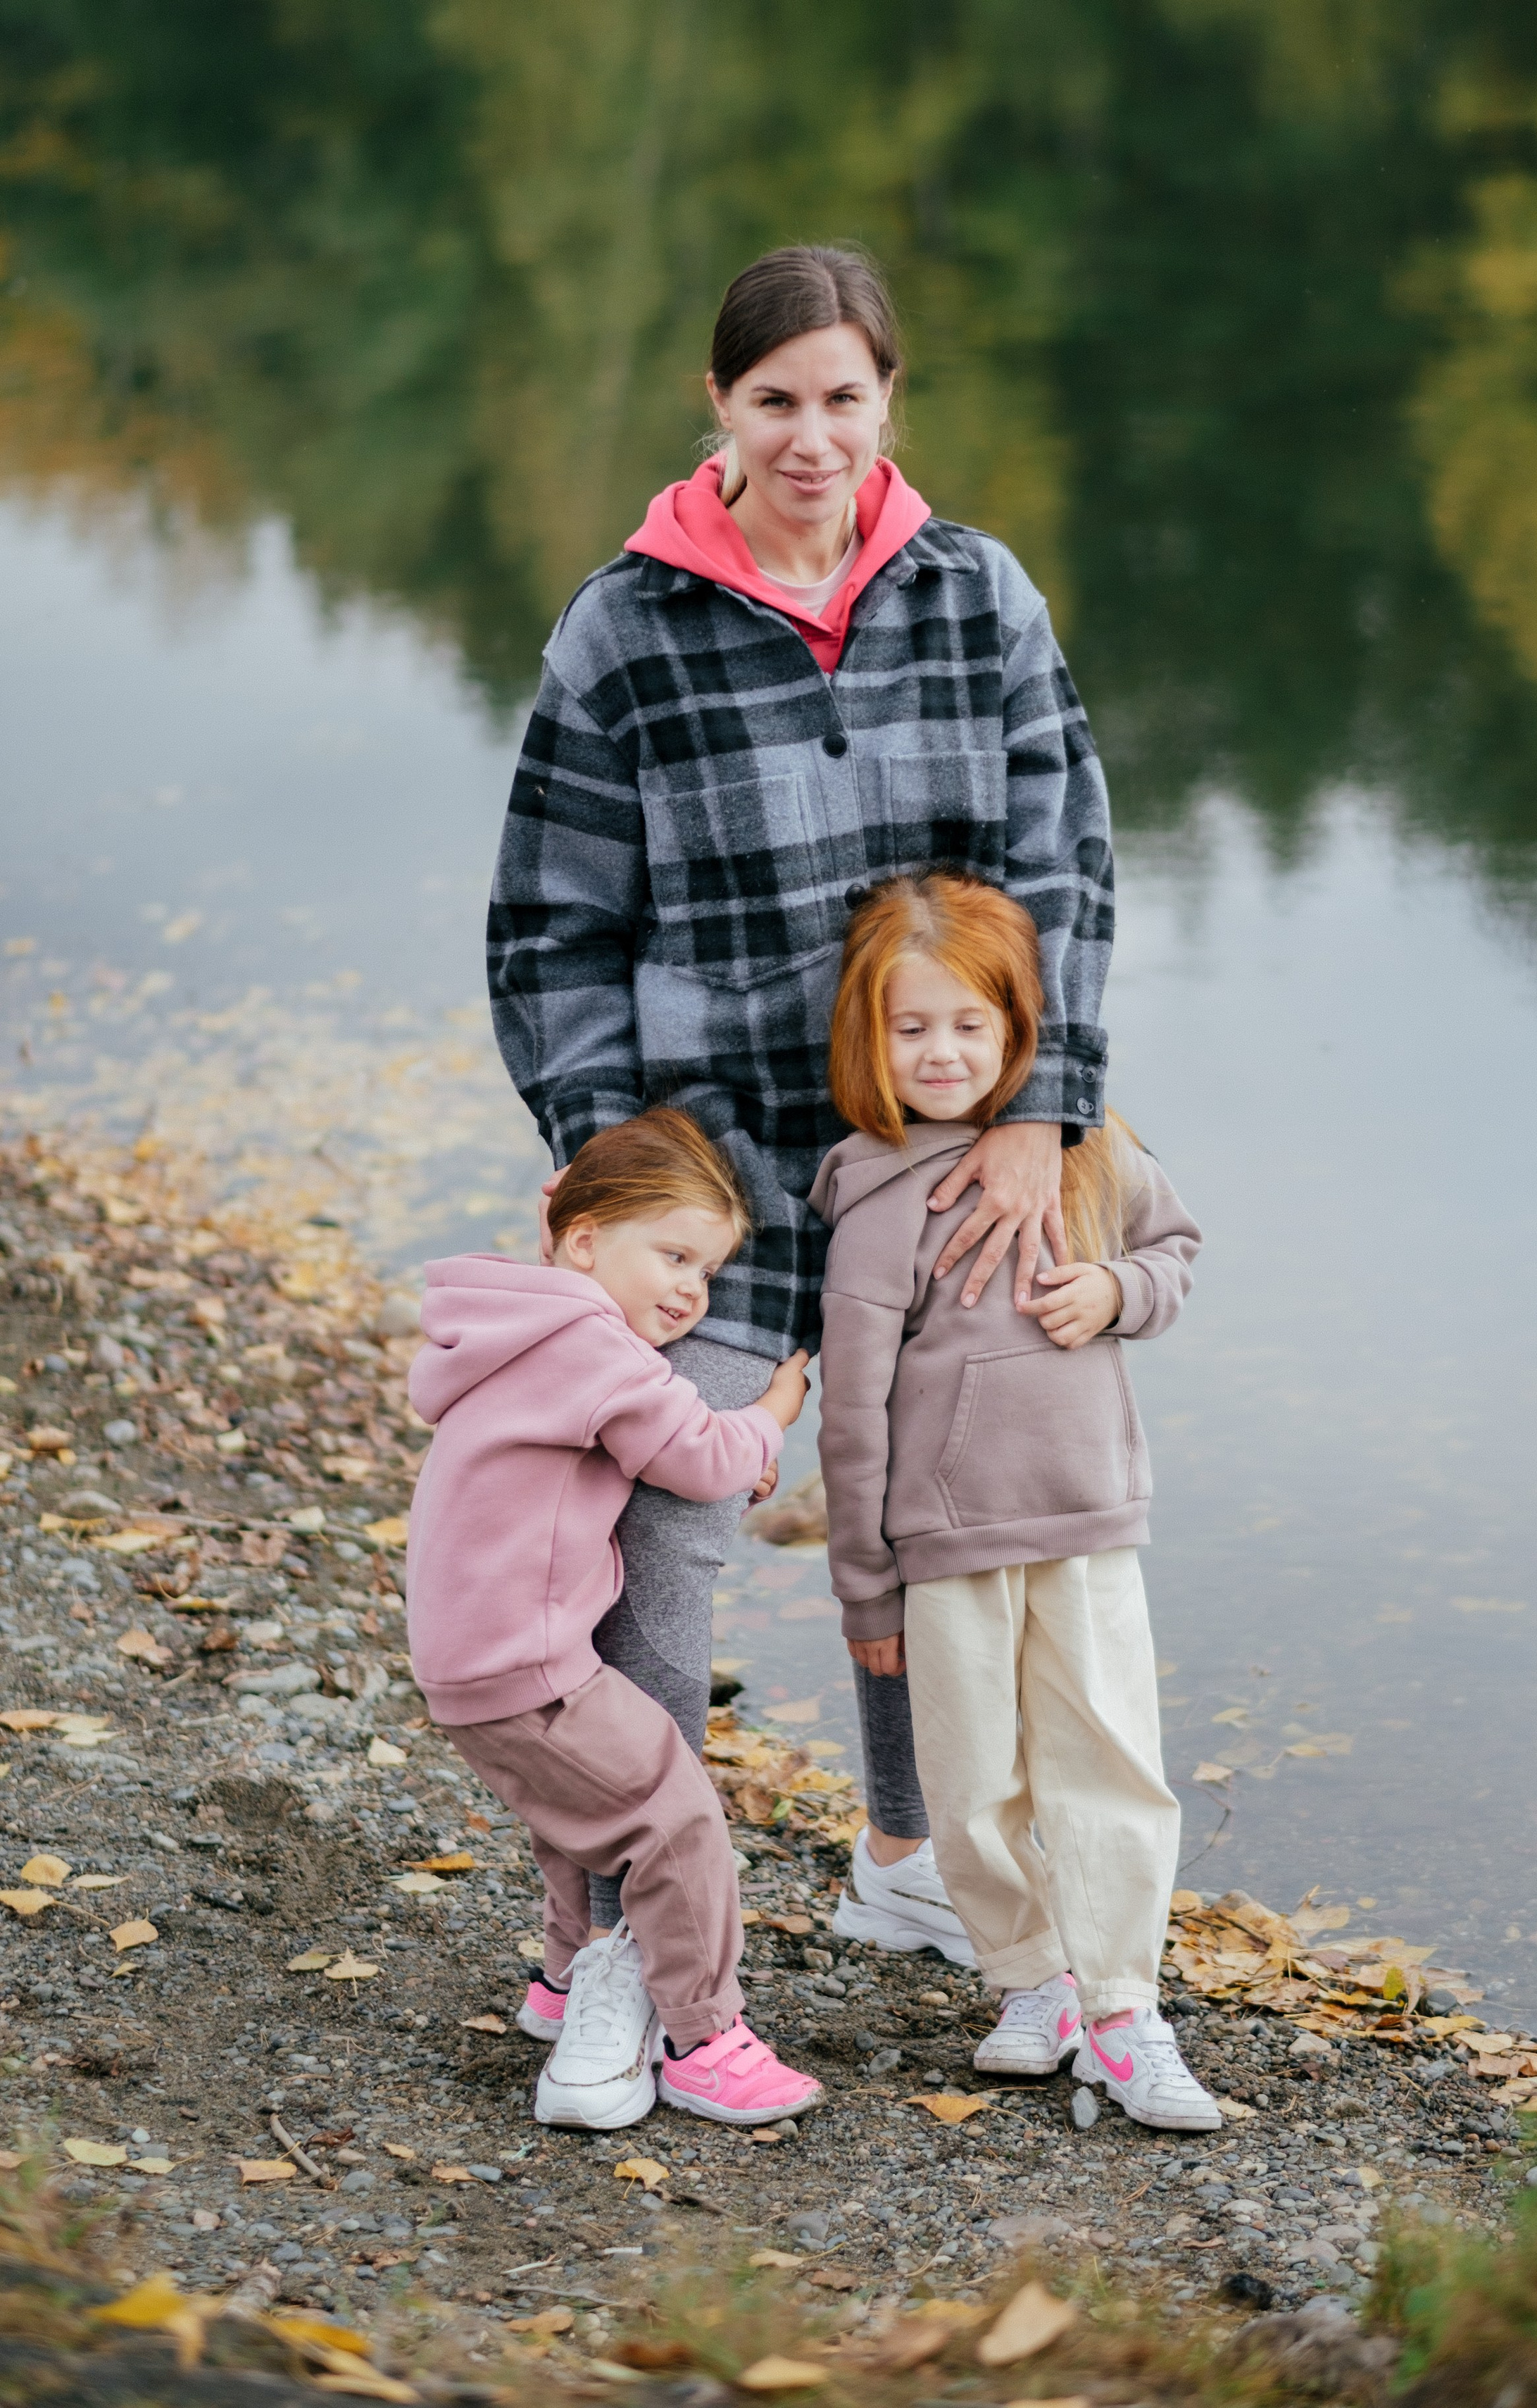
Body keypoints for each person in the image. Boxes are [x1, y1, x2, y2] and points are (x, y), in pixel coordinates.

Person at [487, 244, 1115, 1990]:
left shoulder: (976, 597)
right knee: (654, 1561)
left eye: (844, 398)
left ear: (888, 401)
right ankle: (616, 1937)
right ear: (719, 407)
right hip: (719, 1180)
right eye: (776, 400)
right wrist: (622, 1199)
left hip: (941, 1161)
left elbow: (1058, 867)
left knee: (935, 1536)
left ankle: (911, 1863)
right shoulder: (626, 626)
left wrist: (1039, 1116)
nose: (812, 436)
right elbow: (552, 929)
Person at [810, 870, 1221, 2132]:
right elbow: (852, 1414)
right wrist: (865, 1580)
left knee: (1110, 1762)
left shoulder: (1090, 1144)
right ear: (868, 1038)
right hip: (944, 1546)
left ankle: (1121, 2004)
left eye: (969, 1025)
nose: (942, 1052)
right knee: (971, 1779)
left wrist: (1115, 1294)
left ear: (1020, 1027)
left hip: (1089, 1520)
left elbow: (1179, 1255)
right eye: (911, 1026)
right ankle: (1028, 1977)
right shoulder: (873, 1196)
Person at [405, 1107, 822, 2132]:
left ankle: (561, 1982)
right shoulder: (597, 1347)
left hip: (467, 1665)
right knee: (673, 1817)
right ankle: (702, 2039)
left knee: (578, 1811)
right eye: (672, 1254)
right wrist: (772, 1414)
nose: (690, 1290)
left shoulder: (510, 1327)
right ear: (583, 1240)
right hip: (532, 1664)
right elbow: (701, 1458)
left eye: (709, 1273)